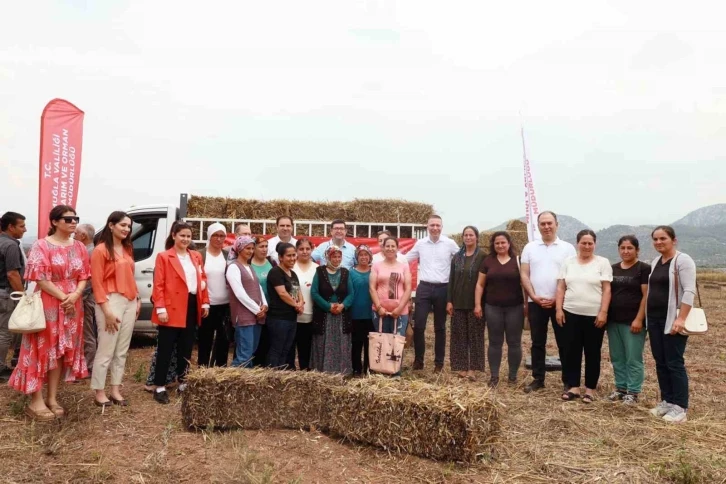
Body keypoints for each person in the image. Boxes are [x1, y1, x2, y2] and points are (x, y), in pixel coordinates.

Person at [9, 205, 90, 420]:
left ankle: (52, 397)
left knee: (61, 351)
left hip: (73, 306)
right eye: (68, 219)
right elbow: (40, 278)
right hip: (49, 304)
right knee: (41, 349)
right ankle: (36, 400)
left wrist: (75, 295)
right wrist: (65, 297)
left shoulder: (80, 247)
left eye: (75, 218)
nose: (73, 222)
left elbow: (84, 275)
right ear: (54, 222)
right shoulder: (41, 246)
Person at [150, 222, 210, 404]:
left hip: (191, 305)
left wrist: (205, 302)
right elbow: (158, 284)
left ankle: (183, 381)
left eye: (188, 236)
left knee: (186, 347)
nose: (185, 239)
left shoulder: (196, 256)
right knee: (165, 349)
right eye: (182, 235)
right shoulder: (164, 256)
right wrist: (160, 308)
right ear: (174, 235)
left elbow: (203, 280)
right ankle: (159, 386)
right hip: (171, 306)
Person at [520, 211, 577, 393]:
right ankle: (538, 378)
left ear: (556, 224)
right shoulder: (529, 247)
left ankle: (568, 380)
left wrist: (557, 299)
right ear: (538, 226)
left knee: (565, 342)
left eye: (549, 223)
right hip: (536, 302)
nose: (546, 227)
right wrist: (533, 296)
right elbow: (524, 274)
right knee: (537, 342)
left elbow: (571, 275)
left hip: (560, 303)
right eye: (542, 223)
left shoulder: (567, 248)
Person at [555, 230, 612, 403]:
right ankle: (573, 387)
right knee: (571, 351)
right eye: (583, 243)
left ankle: (590, 389)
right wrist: (559, 309)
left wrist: (603, 312)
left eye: (590, 243)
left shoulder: (603, 262)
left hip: (594, 316)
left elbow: (607, 289)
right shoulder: (568, 262)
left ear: (595, 244)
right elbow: (561, 287)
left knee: (592, 352)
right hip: (570, 313)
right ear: (577, 243)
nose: (587, 246)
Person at [90, 211, 139, 407]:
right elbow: (96, 282)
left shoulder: (127, 249)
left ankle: (116, 389)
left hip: (129, 300)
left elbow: (131, 277)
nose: (126, 229)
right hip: (109, 302)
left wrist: (137, 299)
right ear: (111, 225)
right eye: (123, 225)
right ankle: (99, 391)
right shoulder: (100, 250)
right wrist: (107, 311)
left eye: (129, 226)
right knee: (106, 348)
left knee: (122, 349)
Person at [646, 226, 696, 423]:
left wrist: (681, 319)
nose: (659, 242)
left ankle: (680, 407)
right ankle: (667, 401)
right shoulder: (656, 261)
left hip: (672, 320)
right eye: (656, 239)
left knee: (674, 363)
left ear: (673, 240)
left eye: (663, 238)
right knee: (660, 362)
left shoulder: (683, 260)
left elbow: (689, 291)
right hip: (655, 320)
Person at [406, 215, 458, 372]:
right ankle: (419, 361)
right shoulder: (420, 244)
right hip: (424, 288)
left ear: (442, 227)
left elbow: (462, 260)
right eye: (432, 225)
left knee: (440, 327)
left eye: (437, 225)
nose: (435, 228)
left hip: (443, 288)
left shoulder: (450, 243)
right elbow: (405, 259)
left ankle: (439, 363)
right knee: (419, 325)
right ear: (427, 227)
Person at [606, 235, 650, 405]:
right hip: (613, 321)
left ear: (637, 250)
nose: (626, 251)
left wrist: (639, 319)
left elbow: (646, 295)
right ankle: (620, 388)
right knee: (617, 357)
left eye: (630, 248)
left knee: (633, 358)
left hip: (633, 322)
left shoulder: (643, 269)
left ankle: (633, 391)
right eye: (622, 248)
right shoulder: (613, 268)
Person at [447, 226, 486, 382]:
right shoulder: (457, 257)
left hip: (475, 303)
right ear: (462, 237)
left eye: (471, 235)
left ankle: (473, 369)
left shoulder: (483, 256)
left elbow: (484, 282)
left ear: (477, 237)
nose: (468, 237)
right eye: (466, 235)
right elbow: (451, 280)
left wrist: (481, 304)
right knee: (459, 337)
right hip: (458, 303)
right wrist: (449, 301)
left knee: (475, 337)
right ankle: (462, 367)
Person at [370, 237, 412, 376]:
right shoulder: (376, 266)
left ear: (397, 248)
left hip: (400, 312)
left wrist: (399, 309)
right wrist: (379, 307)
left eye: (392, 246)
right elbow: (372, 287)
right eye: (387, 246)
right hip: (379, 312)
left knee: (396, 342)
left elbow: (408, 288)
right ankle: (381, 372)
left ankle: (395, 373)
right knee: (382, 341)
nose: (389, 248)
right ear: (382, 248)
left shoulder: (403, 266)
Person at [311, 246, 355, 374]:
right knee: (324, 342)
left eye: (339, 257)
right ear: (328, 258)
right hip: (324, 315)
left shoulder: (345, 272)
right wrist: (328, 306)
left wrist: (342, 306)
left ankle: (342, 371)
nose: (336, 259)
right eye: (333, 257)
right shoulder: (320, 271)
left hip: (341, 315)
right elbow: (314, 292)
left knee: (341, 342)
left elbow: (351, 293)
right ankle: (323, 371)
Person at [226, 236, 268, 367]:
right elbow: (239, 293)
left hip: (257, 315)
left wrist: (265, 305)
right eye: (247, 248)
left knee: (250, 352)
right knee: (244, 354)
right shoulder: (233, 267)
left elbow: (258, 287)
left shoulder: (249, 267)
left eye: (252, 248)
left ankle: (245, 382)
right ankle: (230, 380)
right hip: (244, 316)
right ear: (239, 249)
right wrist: (257, 309)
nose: (250, 251)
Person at [196, 223, 231, 367]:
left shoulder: (228, 256)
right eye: (215, 235)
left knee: (224, 340)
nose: (219, 238)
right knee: (205, 340)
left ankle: (220, 369)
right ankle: (203, 369)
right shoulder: (200, 255)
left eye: (222, 235)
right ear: (209, 237)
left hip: (225, 306)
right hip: (207, 306)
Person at [266, 243, 304, 368]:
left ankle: (281, 375)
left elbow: (298, 291)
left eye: (294, 255)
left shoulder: (293, 273)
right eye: (289, 256)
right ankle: (271, 375)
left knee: (286, 349)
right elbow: (282, 293)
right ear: (280, 257)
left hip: (291, 318)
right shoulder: (275, 272)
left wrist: (301, 304)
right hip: (278, 318)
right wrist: (296, 305)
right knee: (277, 348)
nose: (293, 258)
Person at [0, 211, 27, 382]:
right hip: (7, 294)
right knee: (4, 333)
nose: (24, 230)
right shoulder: (10, 246)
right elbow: (12, 274)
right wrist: (23, 296)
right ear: (11, 227)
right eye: (21, 226)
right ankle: (1, 368)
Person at [250, 236, 277, 366]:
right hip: (254, 309)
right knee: (254, 341)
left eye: (266, 246)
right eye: (261, 246)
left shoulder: (271, 262)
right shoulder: (248, 264)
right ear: (253, 248)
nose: (264, 249)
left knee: (267, 340)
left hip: (270, 308)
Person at [290, 238, 316, 370]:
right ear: (296, 251)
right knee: (290, 346)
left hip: (310, 314)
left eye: (307, 249)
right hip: (292, 314)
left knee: (306, 346)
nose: (304, 252)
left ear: (312, 250)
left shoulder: (317, 268)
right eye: (301, 249)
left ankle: (306, 370)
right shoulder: (290, 267)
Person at [75, 223, 97, 374]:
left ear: (83, 236)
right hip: (86, 295)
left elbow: (90, 279)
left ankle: (89, 366)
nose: (73, 236)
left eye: (75, 233)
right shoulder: (89, 250)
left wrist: (79, 296)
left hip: (87, 297)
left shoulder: (90, 253)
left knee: (87, 332)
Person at [349, 245, 374, 376]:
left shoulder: (374, 271)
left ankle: (369, 368)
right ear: (356, 257)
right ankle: (356, 369)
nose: (363, 257)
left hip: (372, 314)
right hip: (355, 314)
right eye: (361, 255)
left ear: (370, 256)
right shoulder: (351, 273)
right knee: (356, 343)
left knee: (370, 343)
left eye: (366, 255)